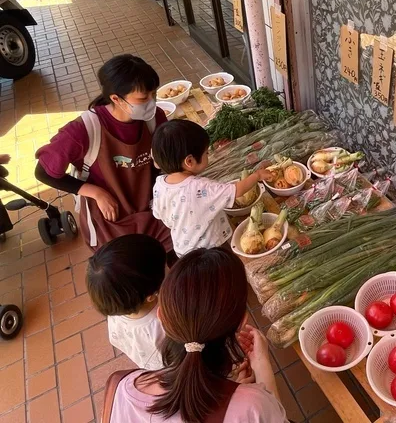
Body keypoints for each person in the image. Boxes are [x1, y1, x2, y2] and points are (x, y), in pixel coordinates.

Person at [103, 246, 287, 423]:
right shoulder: (252, 407)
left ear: (161, 317)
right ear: (242, 322)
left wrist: (234, 395)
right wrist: (261, 366)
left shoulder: (120, 385)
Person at [34, 55, 174, 258]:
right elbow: (43, 172)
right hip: (111, 219)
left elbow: (165, 160)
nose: (151, 102)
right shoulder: (84, 129)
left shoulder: (154, 118)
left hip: (152, 210)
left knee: (172, 257)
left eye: (154, 94)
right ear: (116, 98)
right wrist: (95, 192)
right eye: (143, 98)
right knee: (127, 270)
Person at [151, 120, 274, 257]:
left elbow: (160, 215)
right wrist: (256, 175)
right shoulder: (201, 188)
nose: (208, 155)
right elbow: (237, 190)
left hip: (183, 250)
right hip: (210, 250)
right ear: (189, 161)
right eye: (206, 153)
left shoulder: (159, 184)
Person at [86, 234, 166, 370]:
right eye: (164, 268)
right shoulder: (162, 322)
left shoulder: (116, 310)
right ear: (151, 296)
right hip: (171, 367)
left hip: (146, 362)